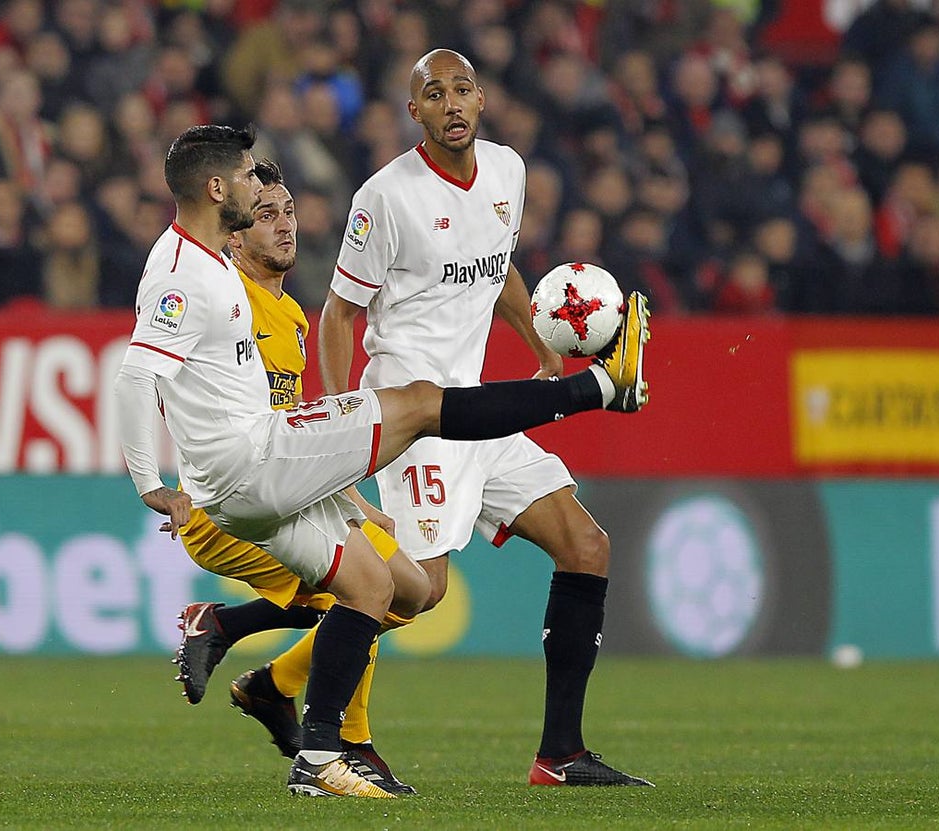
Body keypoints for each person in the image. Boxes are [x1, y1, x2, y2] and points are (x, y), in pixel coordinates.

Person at [115, 123, 648, 797]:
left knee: (394, 585)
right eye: (255, 184)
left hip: (267, 464)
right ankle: (598, 386)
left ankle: (314, 753)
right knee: (422, 408)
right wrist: (151, 484)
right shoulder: (190, 276)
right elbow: (139, 376)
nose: (278, 209)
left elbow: (214, 388)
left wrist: (343, 484)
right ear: (219, 191)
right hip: (246, 473)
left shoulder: (223, 269)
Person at [318, 49, 653, 787]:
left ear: (482, 97)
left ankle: (559, 754)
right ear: (416, 113)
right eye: (434, 95)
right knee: (417, 591)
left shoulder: (509, 172)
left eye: (462, 89)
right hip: (417, 417)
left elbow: (495, 267)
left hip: (485, 409)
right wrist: (345, 421)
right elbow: (340, 310)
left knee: (586, 545)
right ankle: (273, 671)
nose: (452, 104)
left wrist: (539, 344)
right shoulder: (387, 196)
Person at [170, 158, 416, 795]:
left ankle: (256, 666)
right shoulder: (226, 302)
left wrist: (353, 505)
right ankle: (343, 745)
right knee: (367, 591)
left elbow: (292, 436)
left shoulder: (292, 317)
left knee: (411, 592)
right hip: (226, 508)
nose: (284, 226)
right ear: (233, 234)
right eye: (265, 215)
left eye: (288, 212)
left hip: (283, 493)